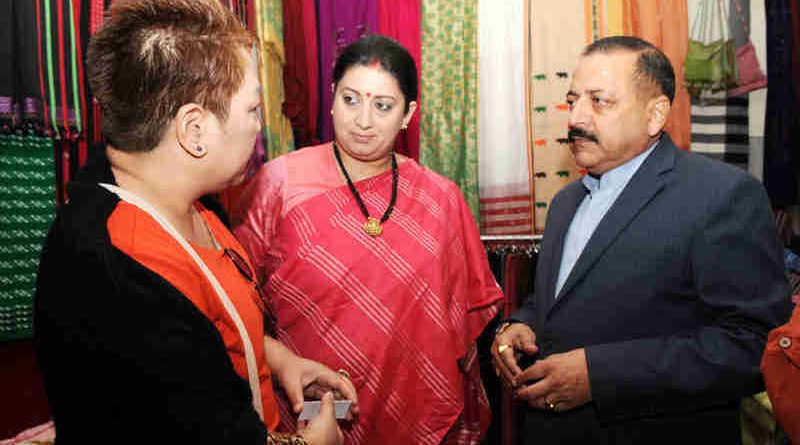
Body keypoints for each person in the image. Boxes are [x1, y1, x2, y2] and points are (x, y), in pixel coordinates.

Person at [33, 1, 357, 443]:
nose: (259, 126)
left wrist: (279, 361)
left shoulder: (187, 199)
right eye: (252, 109)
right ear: (195, 131)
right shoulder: (115, 274)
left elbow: (207, 323)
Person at [490, 36, 792, 444]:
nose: (575, 118)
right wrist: (520, 324)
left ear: (655, 114)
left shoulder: (722, 196)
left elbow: (751, 345)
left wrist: (600, 377)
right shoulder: (566, 202)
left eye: (599, 102)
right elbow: (558, 300)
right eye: (572, 99)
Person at [231, 34, 503, 445]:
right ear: (332, 97)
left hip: (415, 408)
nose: (362, 121)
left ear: (408, 113)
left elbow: (461, 324)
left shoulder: (440, 199)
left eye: (382, 106)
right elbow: (230, 305)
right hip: (309, 408)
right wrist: (280, 359)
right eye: (351, 99)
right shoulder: (279, 184)